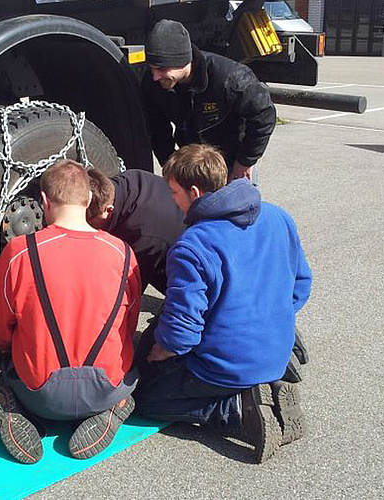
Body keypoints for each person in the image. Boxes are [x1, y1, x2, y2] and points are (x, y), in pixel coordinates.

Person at [133, 144, 312, 464]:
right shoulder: (278, 217)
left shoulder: (193, 245)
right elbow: (300, 286)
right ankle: (265, 386)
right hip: (277, 348)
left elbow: (182, 334)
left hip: (223, 366)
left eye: (173, 193)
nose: (172, 202)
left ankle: (237, 411)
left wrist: (159, 352)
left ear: (194, 191)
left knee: (143, 399)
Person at [0, 160, 143, 465]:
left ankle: (12, 409)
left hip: (38, 394)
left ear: (44, 202)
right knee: (125, 373)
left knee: (7, 366)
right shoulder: (123, 253)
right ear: (88, 200)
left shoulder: (19, 252)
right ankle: (114, 408)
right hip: (106, 388)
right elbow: (128, 323)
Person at [142, 19, 276, 182]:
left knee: (236, 205)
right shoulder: (153, 84)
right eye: (152, 69)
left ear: (182, 60)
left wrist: (245, 161)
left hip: (232, 162)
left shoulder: (230, 79)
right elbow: (158, 129)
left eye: (162, 68)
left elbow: (263, 115)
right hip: (193, 164)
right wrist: (169, 165)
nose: (155, 76)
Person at [86, 168, 186, 295]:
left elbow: (130, 290)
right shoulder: (128, 180)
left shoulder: (142, 237)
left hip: (186, 274)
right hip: (174, 226)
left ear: (108, 210)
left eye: (89, 221)